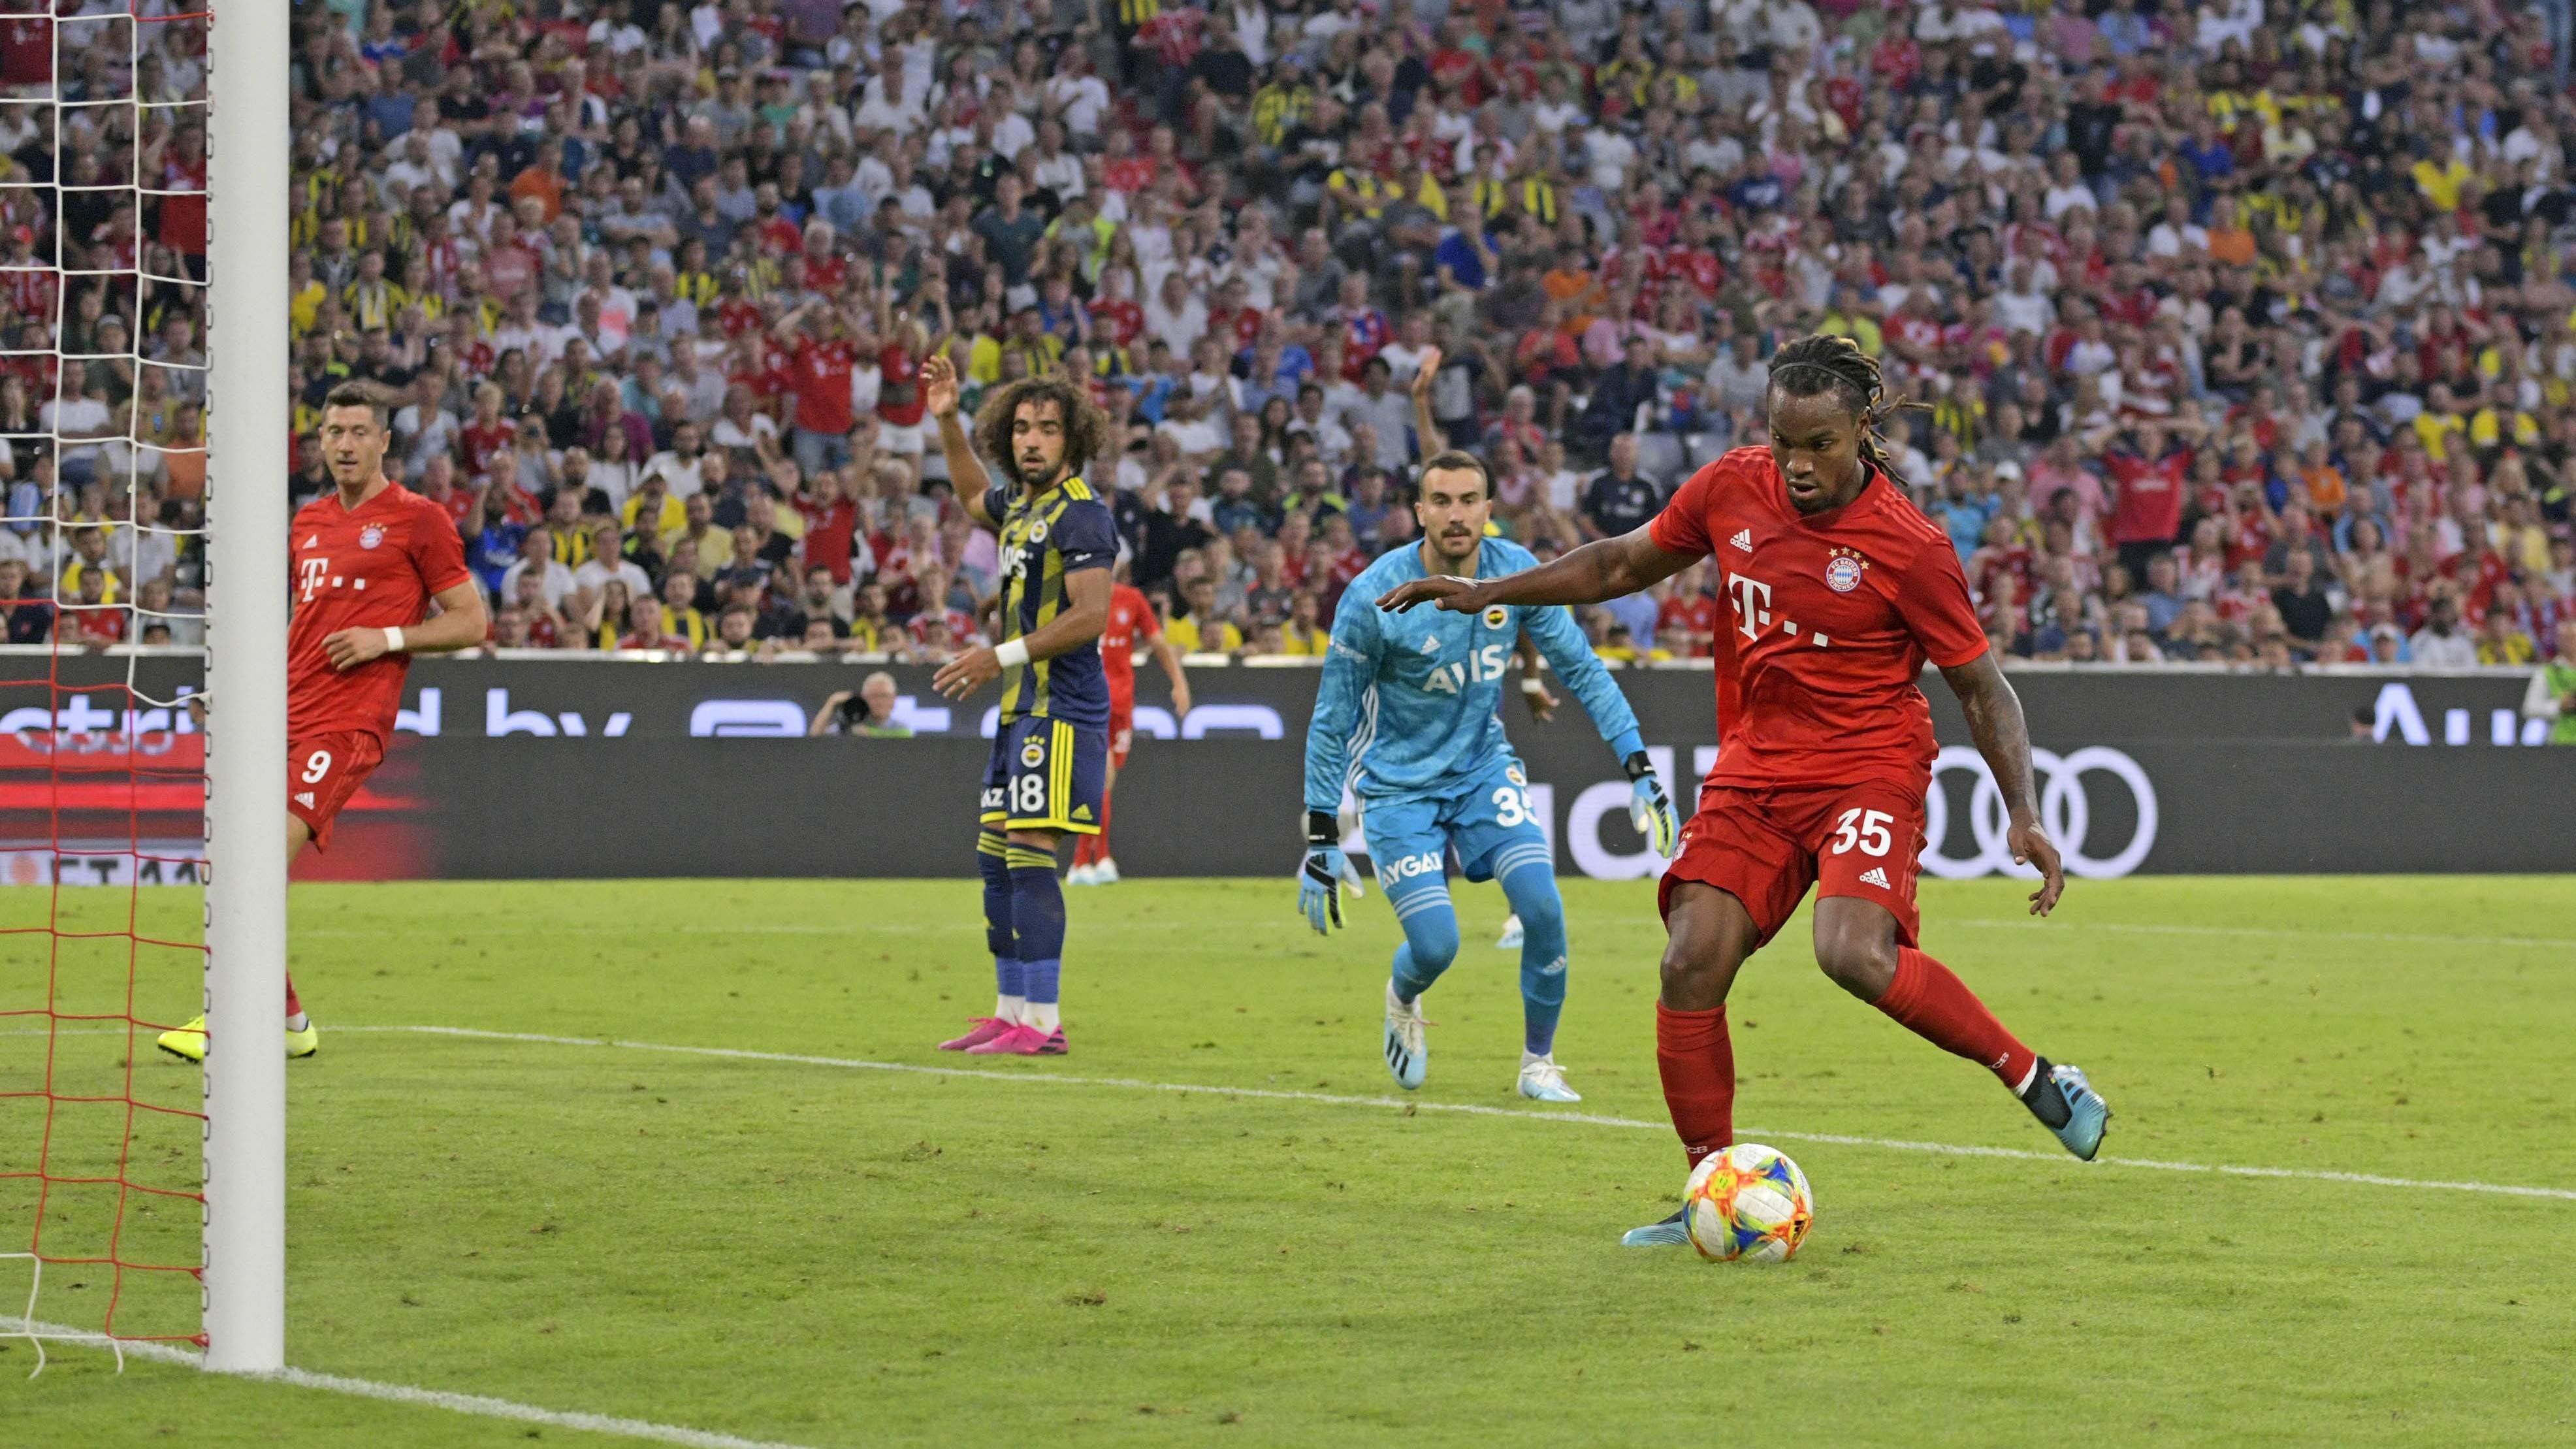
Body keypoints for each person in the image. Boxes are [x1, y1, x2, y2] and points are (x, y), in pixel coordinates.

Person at [1378, 334, 2110, 1246]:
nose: (1798, 465)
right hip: (1757, 768)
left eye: (1820, 445)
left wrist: (2025, 811)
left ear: (1860, 433)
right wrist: (1487, 587)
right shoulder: (1732, 486)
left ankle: (2037, 1076)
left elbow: (1981, 686)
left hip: (1868, 767)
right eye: (1783, 441)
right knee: (1690, 962)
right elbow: (1617, 565)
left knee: (1851, 952)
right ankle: (1706, 1191)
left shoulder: (1911, 546)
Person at [1302, 346, 1681, 1104]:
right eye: (1439, 500)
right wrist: (1318, 833)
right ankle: (1402, 997)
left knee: (1542, 907)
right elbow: (1331, 719)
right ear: (1419, 510)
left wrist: (1638, 766)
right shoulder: (1374, 596)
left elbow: (1580, 668)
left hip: (1481, 769)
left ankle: (1537, 1062)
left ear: (1486, 505)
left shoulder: (1517, 573)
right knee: (1434, 945)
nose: (1454, 514)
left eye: (1467, 499)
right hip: (1399, 790)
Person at [158, 382, 487, 1064]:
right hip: (285, 714)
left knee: (251, 866)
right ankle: (288, 1019)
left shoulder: (418, 519)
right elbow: (302, 629)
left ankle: (231, 1019)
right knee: (223, 867)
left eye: (359, 432)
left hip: (347, 723)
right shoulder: (307, 521)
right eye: (334, 431)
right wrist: (245, 692)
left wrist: (387, 639)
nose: (344, 444)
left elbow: (471, 620)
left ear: (386, 441)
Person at [921, 354, 1116, 1057]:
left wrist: (996, 656)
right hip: (1016, 712)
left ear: (1074, 440)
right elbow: (973, 496)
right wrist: (947, 420)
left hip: (1059, 710)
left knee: (1031, 856)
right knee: (995, 861)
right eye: (1024, 429)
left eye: (1048, 429)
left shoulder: (1082, 515)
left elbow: (1091, 615)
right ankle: (1008, 1011)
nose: (1033, 441)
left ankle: (1043, 1019)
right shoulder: (1020, 506)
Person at [1069, 557, 1191, 887]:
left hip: (1121, 704)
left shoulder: (1131, 600)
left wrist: (1179, 682)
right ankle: (1087, 861)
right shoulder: (1075, 599)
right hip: (1088, 701)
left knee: (1105, 782)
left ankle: (1094, 860)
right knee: (1100, 775)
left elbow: (1158, 643)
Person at [810, 670, 914, 738]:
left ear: (894, 699)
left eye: (884, 696)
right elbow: (815, 737)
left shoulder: (901, 729)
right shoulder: (852, 725)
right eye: (874, 696)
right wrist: (831, 703)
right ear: (864, 699)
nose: (879, 702)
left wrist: (868, 736)